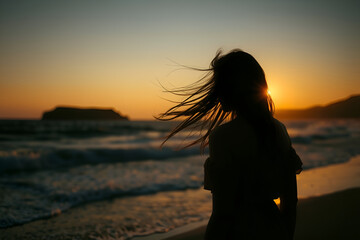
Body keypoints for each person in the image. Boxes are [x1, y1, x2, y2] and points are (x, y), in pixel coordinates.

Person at [157, 49, 302, 240]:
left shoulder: (224, 137)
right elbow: (290, 202)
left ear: (233, 88)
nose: (215, 93)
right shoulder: (279, 131)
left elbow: (222, 215)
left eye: (219, 84)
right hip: (275, 230)